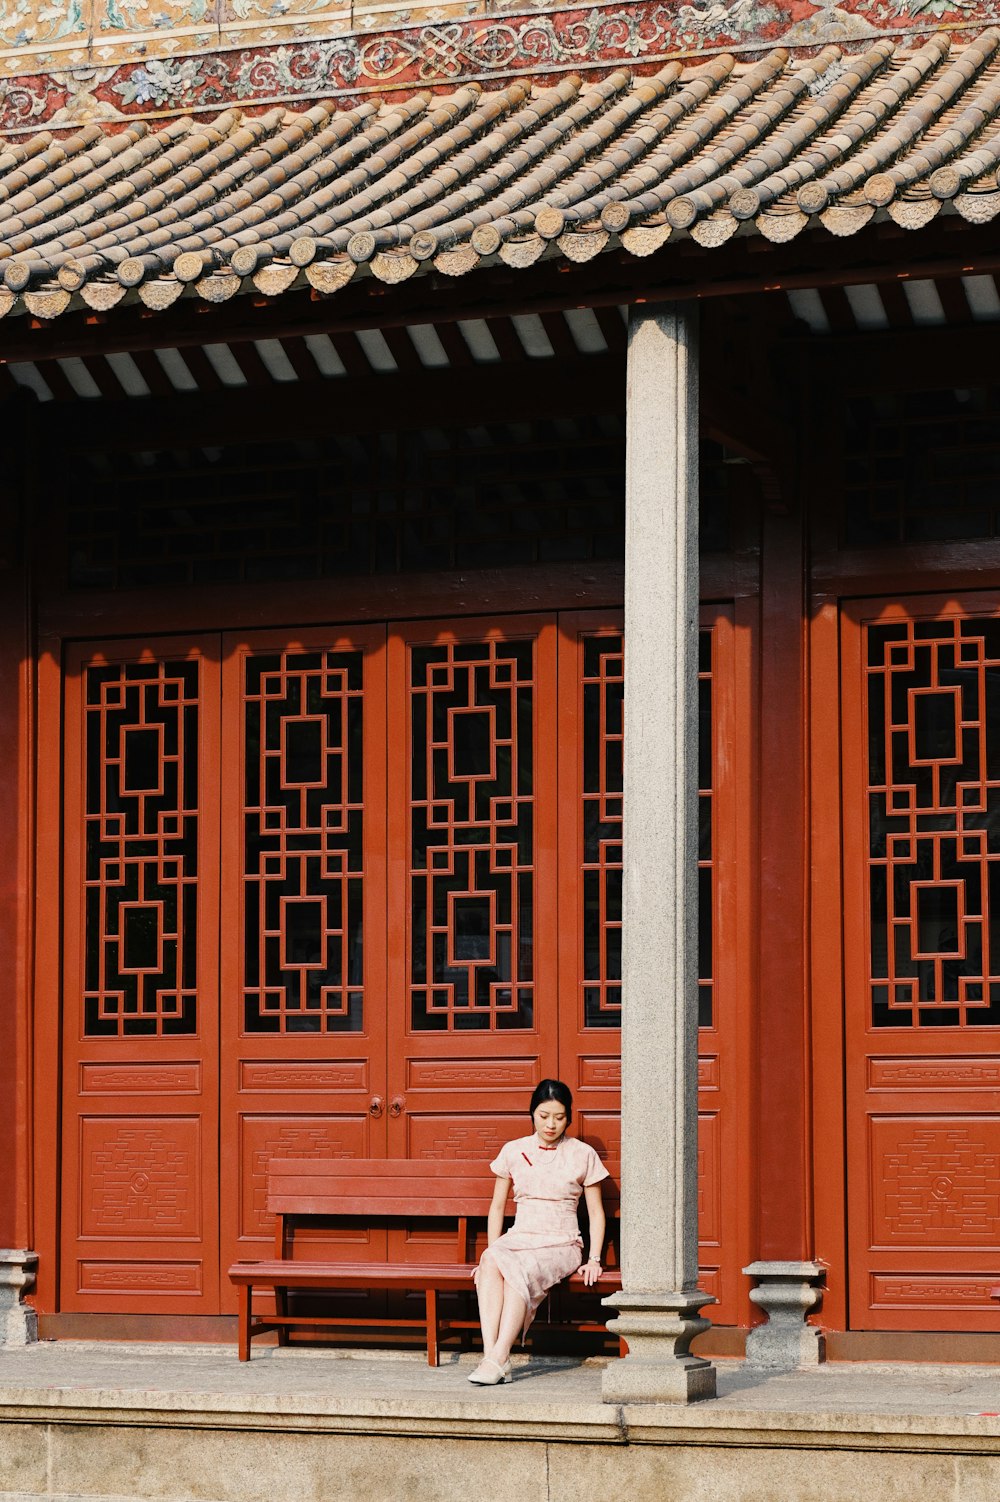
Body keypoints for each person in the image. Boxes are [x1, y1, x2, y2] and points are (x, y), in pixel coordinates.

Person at [469, 1078, 609, 1385]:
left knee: (520, 1268)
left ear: (568, 1118)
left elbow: (596, 1212)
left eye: (559, 1118)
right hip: (521, 1235)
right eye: (544, 1116)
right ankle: (492, 1356)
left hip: (561, 1242)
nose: (551, 1124)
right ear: (533, 1114)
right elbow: (496, 1207)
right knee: (492, 1261)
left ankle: (498, 1357)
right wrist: (494, 1251)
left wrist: (595, 1258)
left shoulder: (582, 1153)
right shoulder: (513, 1150)